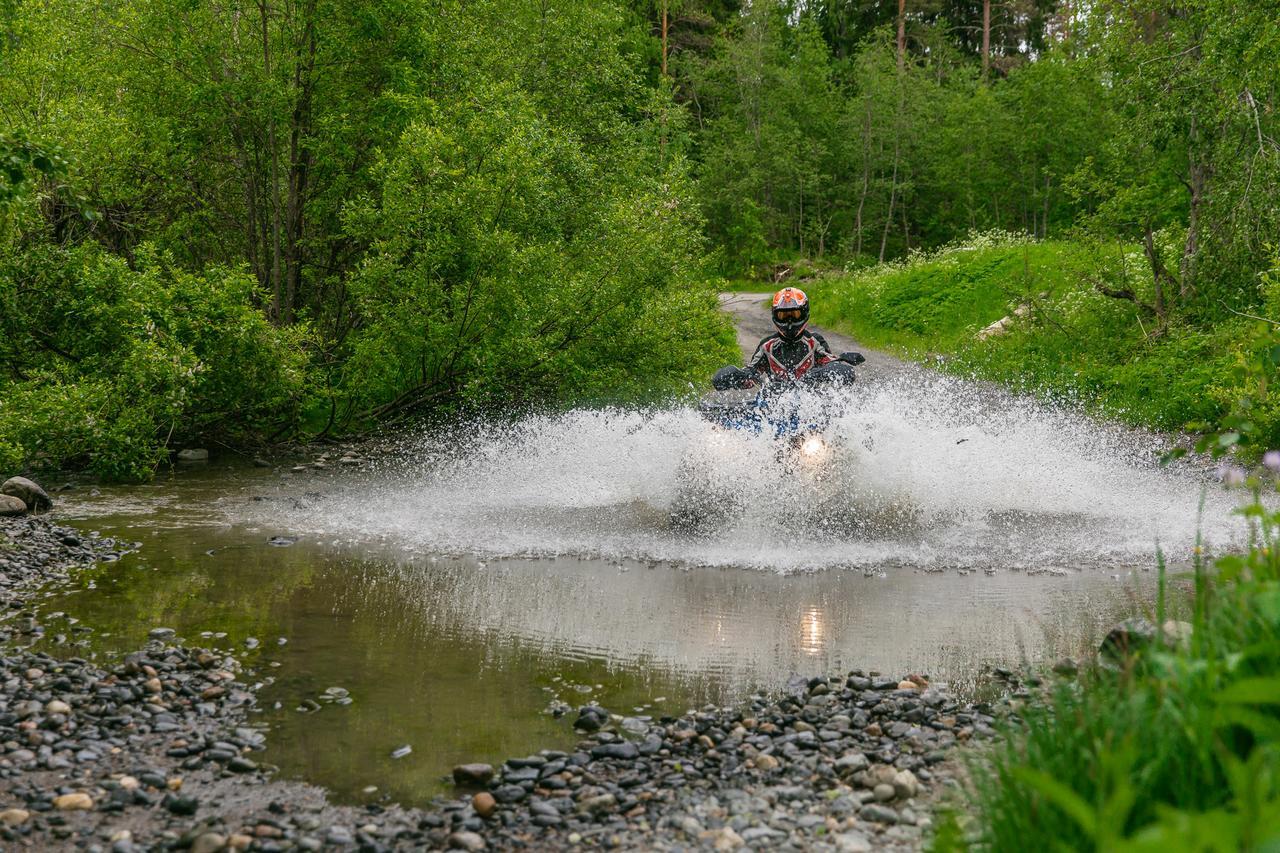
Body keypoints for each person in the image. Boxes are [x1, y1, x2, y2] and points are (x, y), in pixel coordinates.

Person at [745, 287, 837, 384]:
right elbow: (751, 371)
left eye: (794, 314)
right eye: (783, 315)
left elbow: (830, 363)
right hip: (774, 397)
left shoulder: (814, 341)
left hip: (810, 396)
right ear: (775, 315)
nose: (789, 320)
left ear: (804, 313)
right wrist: (740, 376)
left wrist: (836, 367)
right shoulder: (766, 346)